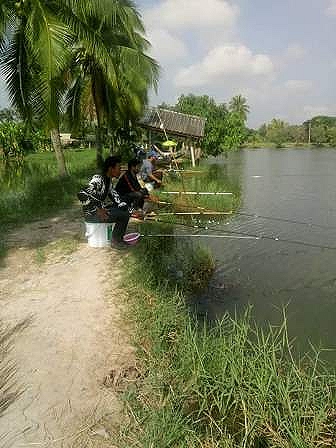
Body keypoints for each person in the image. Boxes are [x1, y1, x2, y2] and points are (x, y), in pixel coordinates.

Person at [77, 156, 131, 249]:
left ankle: (118, 238)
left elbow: (117, 199)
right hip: (92, 214)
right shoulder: (98, 179)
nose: (120, 171)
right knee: (124, 215)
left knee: (125, 211)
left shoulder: (108, 181)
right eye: (119, 168)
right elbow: (82, 194)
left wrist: (131, 210)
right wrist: (97, 210)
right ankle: (116, 241)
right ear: (111, 168)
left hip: (99, 213)